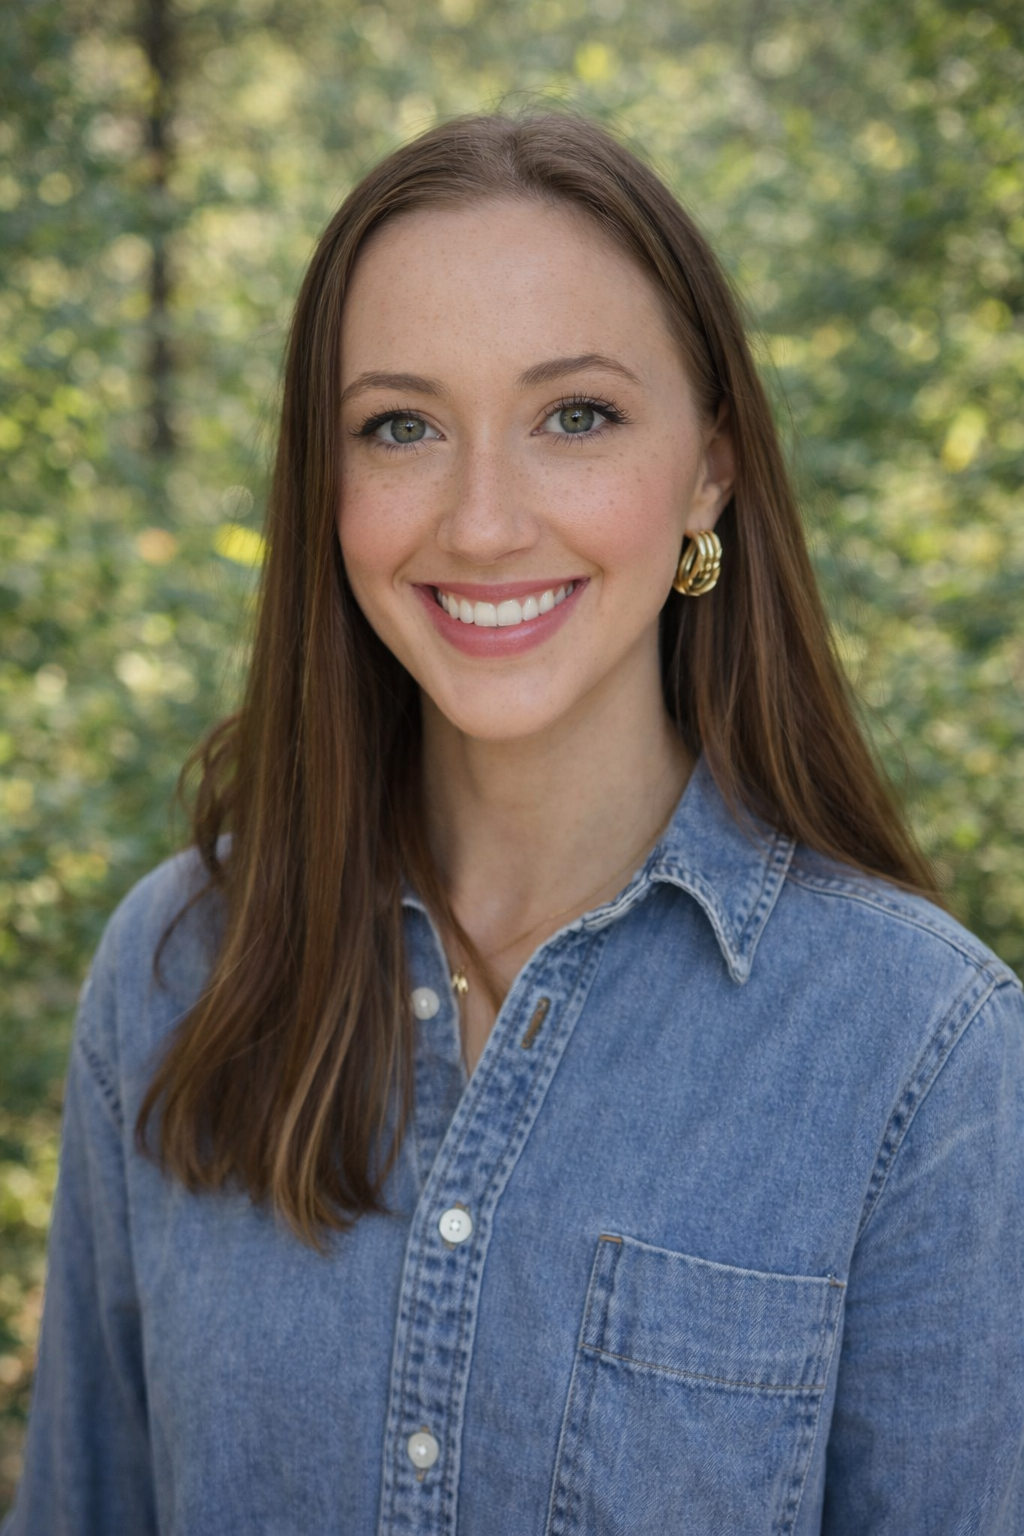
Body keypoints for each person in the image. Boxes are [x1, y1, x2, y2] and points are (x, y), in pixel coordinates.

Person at [4, 109, 1023, 1536]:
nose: (482, 523)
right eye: (401, 426)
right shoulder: (179, 967)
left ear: (710, 472)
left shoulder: (921, 1054)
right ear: (328, 479)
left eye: (577, 416)